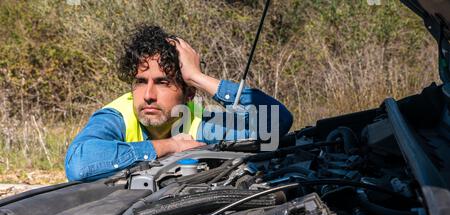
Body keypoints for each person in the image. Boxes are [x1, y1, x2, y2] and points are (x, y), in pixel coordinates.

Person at [65, 25, 293, 182]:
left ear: (189, 94)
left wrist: (198, 77)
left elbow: (276, 122)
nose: (148, 95)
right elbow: (79, 164)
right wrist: (171, 146)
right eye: (140, 82)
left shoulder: (195, 121)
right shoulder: (118, 115)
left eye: (163, 83)